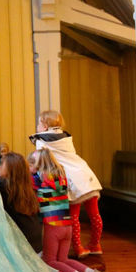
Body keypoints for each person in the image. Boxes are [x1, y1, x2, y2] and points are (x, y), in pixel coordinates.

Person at [29, 110, 103, 258]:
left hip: (71, 180)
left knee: (73, 216)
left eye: (38, 123)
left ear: (44, 126)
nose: (37, 126)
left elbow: (43, 160)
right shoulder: (66, 137)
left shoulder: (41, 141)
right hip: (85, 174)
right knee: (94, 214)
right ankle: (96, 244)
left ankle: (78, 248)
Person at [30, 149, 103, 272]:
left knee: (50, 261)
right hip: (67, 225)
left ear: (37, 165)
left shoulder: (39, 179)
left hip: (53, 226)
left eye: (31, 163)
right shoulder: (61, 177)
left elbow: (33, 189)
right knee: (62, 259)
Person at [0, 152, 43, 254]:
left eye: (2, 164)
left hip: (24, 247)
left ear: (11, 169)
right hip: (37, 245)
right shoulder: (26, 189)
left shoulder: (4, 188)